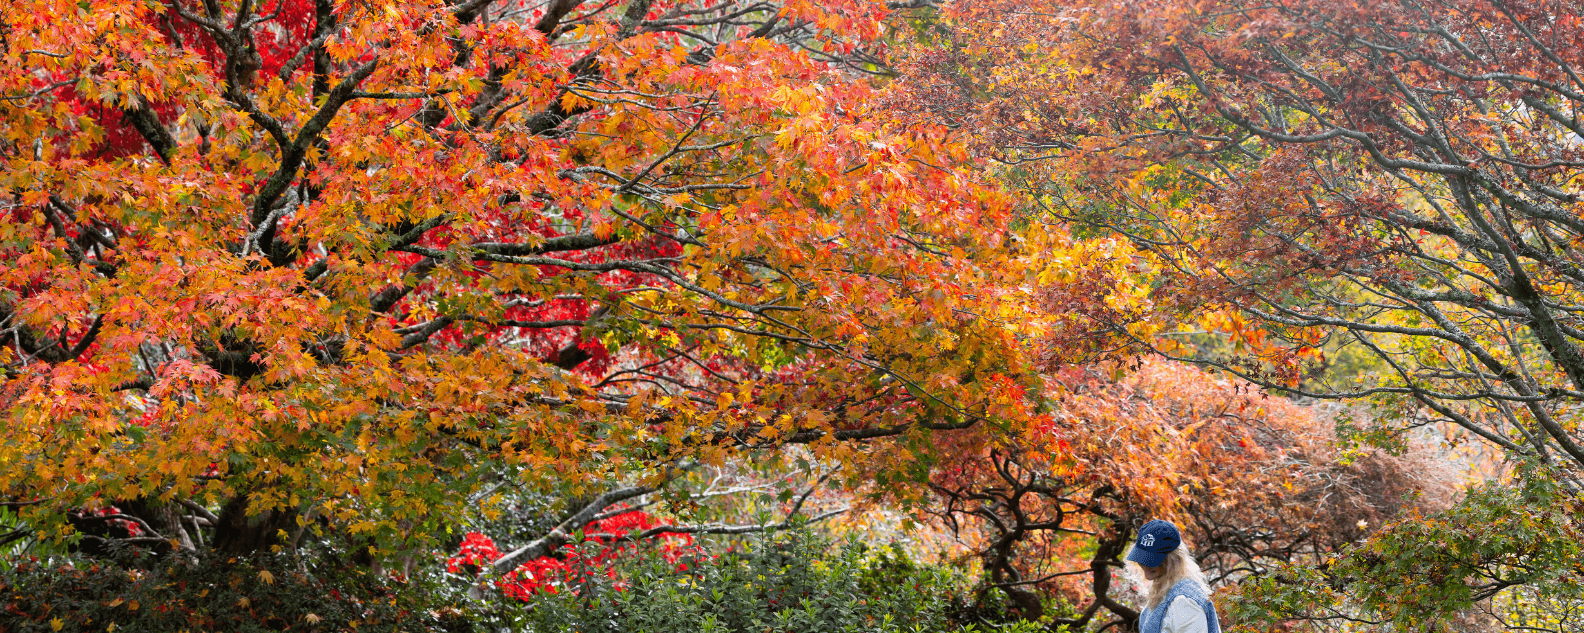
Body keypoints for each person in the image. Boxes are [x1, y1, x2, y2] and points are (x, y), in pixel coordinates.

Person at [1126, 519, 1221, 633]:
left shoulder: (1184, 602)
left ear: (1173, 560)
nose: (1146, 565)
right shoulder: (1164, 589)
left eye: (1152, 560)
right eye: (1142, 558)